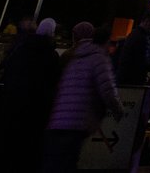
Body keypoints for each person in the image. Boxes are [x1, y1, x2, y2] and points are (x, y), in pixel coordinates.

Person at [43, 22, 122, 173]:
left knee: (54, 162)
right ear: (106, 42)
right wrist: (118, 110)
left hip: (58, 118)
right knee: (67, 162)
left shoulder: (74, 56)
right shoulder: (99, 59)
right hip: (78, 119)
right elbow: (107, 89)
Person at [0, 17, 62, 173]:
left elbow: (9, 69)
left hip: (13, 104)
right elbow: (54, 81)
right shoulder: (51, 55)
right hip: (36, 109)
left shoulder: (22, 49)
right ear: (52, 33)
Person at [116, 14, 150, 87]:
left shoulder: (134, 34)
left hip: (125, 79)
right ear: (147, 21)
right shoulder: (143, 39)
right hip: (133, 81)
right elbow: (143, 63)